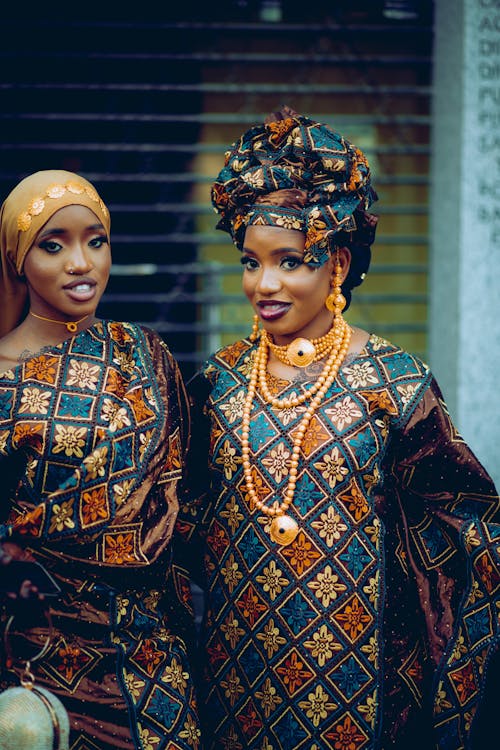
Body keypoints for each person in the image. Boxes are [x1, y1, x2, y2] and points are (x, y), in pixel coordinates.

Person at [176, 108, 500, 749]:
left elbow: (466, 526)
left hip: (355, 679)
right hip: (234, 673)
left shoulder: (396, 383)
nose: (263, 284)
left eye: (289, 261)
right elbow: (178, 523)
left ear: (338, 263)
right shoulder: (215, 383)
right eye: (250, 261)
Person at [0, 170, 201, 749]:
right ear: (18, 257)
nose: (81, 263)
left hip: (154, 661)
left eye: (96, 239)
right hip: (41, 669)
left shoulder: (145, 354)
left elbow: (186, 503)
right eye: (52, 244)